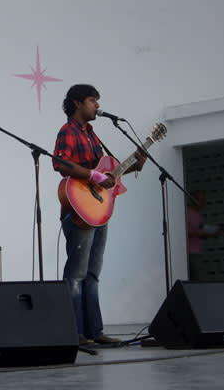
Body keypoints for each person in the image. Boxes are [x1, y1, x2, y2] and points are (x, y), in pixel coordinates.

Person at [53, 84, 146, 345]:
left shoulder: (93, 135)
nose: (97, 105)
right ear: (76, 103)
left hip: (99, 210)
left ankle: (95, 331)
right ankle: (75, 332)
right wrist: (93, 175)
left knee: (93, 273)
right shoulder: (67, 131)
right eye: (92, 100)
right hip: (79, 210)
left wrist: (134, 165)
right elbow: (60, 163)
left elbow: (107, 177)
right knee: (77, 273)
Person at [186, 190, 224, 280]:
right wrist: (198, 233)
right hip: (191, 253)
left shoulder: (198, 214)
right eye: (200, 200)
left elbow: (200, 233)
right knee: (200, 279)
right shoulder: (186, 213)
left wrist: (213, 233)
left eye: (203, 200)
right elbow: (182, 233)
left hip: (197, 252)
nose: (202, 202)